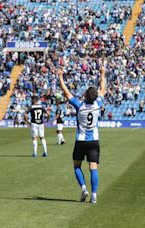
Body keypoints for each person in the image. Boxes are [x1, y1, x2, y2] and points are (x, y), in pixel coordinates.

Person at [57, 65, 106, 204]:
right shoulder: (98, 104)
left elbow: (66, 93)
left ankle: (84, 188)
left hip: (81, 140)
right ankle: (94, 194)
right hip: (94, 140)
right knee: (93, 167)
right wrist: (102, 73)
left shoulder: (80, 106)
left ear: (85, 95)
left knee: (77, 166)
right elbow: (103, 89)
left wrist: (60, 77)